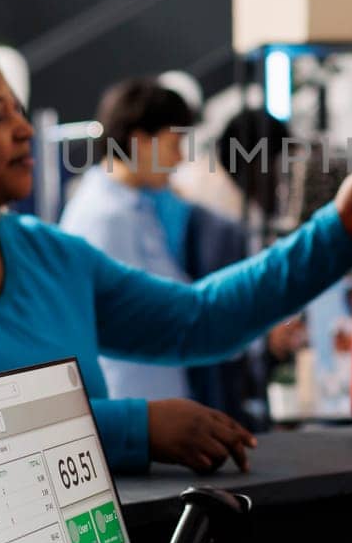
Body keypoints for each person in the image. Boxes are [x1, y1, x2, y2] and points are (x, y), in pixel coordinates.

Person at [0, 25, 352, 484]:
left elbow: (197, 320)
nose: (23, 131)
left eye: (14, 110)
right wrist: (137, 427)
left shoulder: (45, 253)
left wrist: (338, 228)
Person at [58, 77, 303, 420]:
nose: (180, 157)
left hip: (152, 398)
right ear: (139, 141)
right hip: (136, 401)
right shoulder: (105, 218)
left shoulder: (136, 206)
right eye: (174, 143)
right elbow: (166, 312)